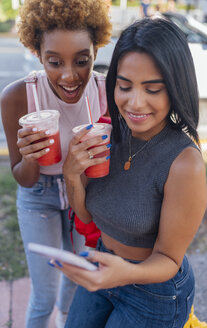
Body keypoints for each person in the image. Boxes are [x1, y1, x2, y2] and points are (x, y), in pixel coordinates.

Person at [50, 17, 207, 328]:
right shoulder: (108, 136)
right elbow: (87, 215)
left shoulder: (184, 162)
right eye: (124, 86)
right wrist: (71, 174)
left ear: (175, 88)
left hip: (155, 290)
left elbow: (170, 260)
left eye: (152, 89)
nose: (135, 103)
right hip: (103, 263)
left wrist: (126, 273)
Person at [0, 0, 111, 327]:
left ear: (96, 49)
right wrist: (32, 155)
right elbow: (23, 179)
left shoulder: (105, 92)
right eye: (54, 62)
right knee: (44, 295)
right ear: (37, 53)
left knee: (76, 285)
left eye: (82, 60)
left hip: (87, 192)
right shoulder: (18, 97)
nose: (69, 75)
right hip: (40, 196)